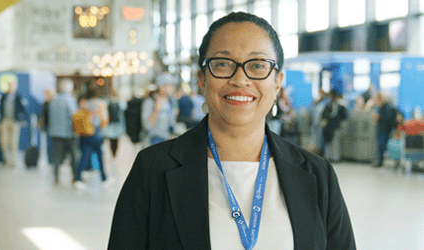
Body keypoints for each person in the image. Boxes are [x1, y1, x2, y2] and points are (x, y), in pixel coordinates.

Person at [109, 12, 356, 249]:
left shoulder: (316, 174)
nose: (240, 79)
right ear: (202, 79)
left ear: (277, 81)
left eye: (258, 65)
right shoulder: (154, 169)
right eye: (223, 64)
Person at [48, 78, 79, 185]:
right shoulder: (70, 100)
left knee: (56, 157)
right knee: (74, 156)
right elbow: (74, 116)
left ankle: (56, 177)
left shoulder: (54, 100)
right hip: (69, 134)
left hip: (55, 133)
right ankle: (75, 177)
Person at [140, 73, 178, 147]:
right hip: (153, 145)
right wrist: (156, 110)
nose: (173, 88)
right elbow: (147, 126)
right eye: (171, 85)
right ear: (161, 87)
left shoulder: (171, 102)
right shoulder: (150, 102)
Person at [0, 79, 26, 168]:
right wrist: (0, 122)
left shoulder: (18, 97)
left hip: (14, 121)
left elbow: (23, 109)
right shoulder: (4, 96)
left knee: (14, 141)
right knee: (4, 141)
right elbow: (0, 109)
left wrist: (22, 120)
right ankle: (6, 158)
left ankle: (13, 161)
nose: (11, 87)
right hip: (5, 120)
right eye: (10, 85)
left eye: (13, 86)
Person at [372, 91, 397, 167]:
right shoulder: (382, 107)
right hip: (382, 129)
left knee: (382, 146)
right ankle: (380, 161)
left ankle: (381, 161)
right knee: (380, 146)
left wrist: (379, 118)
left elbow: (388, 118)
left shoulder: (387, 107)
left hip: (384, 130)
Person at [321, 90, 348, 162]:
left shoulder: (339, 106)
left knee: (335, 143)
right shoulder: (328, 105)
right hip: (328, 127)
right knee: (328, 143)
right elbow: (324, 115)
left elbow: (344, 116)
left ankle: (335, 158)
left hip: (335, 126)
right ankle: (328, 157)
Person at [103, 89, 126, 165]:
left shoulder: (108, 102)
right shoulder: (120, 103)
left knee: (111, 141)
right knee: (116, 141)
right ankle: (114, 155)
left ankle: (113, 154)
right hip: (117, 124)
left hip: (110, 124)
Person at [40, 88, 55, 165]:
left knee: (54, 144)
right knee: (48, 145)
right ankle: (50, 161)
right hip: (47, 126)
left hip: (54, 126)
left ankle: (54, 160)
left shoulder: (54, 102)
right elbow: (43, 115)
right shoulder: (45, 104)